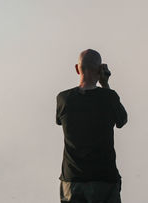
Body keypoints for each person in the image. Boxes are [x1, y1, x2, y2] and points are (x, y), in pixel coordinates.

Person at [56, 49, 127, 203]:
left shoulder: (63, 99)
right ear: (100, 70)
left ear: (77, 68)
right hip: (104, 180)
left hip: (72, 181)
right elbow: (121, 120)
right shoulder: (109, 98)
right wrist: (105, 84)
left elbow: (59, 120)